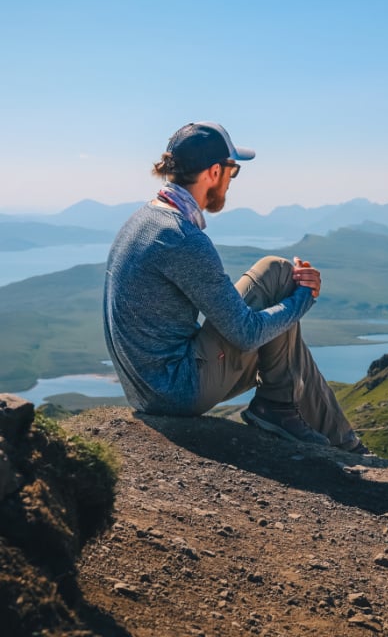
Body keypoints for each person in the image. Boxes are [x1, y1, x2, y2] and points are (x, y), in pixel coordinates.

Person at [103, 121, 368, 453]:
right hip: (175, 392)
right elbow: (245, 333)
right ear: (214, 172)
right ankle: (295, 416)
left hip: (145, 386)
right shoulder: (182, 237)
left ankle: (323, 431)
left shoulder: (144, 220)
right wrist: (304, 296)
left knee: (282, 323)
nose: (231, 182)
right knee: (279, 275)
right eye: (233, 171)